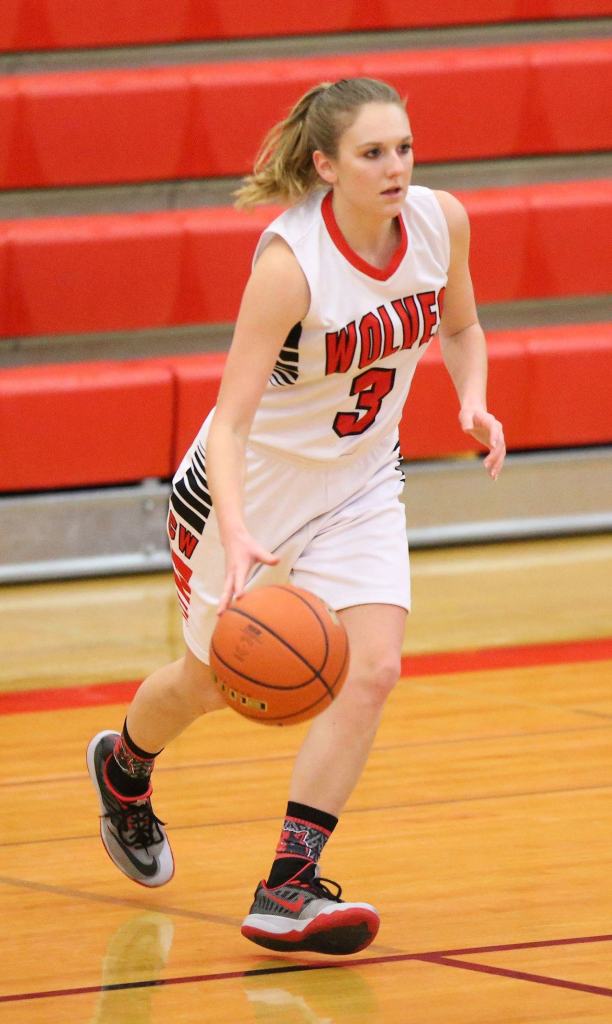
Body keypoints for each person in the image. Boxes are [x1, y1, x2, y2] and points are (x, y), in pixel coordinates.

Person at [87, 77, 506, 956]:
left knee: (375, 668)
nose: (396, 168)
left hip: (358, 487)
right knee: (212, 683)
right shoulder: (291, 265)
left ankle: (288, 886)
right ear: (325, 165)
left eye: (404, 148)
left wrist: (473, 400)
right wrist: (239, 532)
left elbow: (460, 326)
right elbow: (231, 422)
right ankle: (126, 770)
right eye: (372, 154)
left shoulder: (440, 222)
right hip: (248, 494)